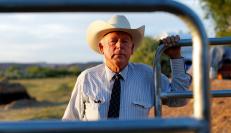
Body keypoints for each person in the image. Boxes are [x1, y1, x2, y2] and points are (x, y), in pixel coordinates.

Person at [62, 15, 192, 121]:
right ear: (102, 48)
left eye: (125, 41)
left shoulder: (147, 75)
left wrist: (175, 57)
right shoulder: (88, 78)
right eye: (113, 41)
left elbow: (179, 100)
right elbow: (70, 121)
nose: (119, 46)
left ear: (132, 49)